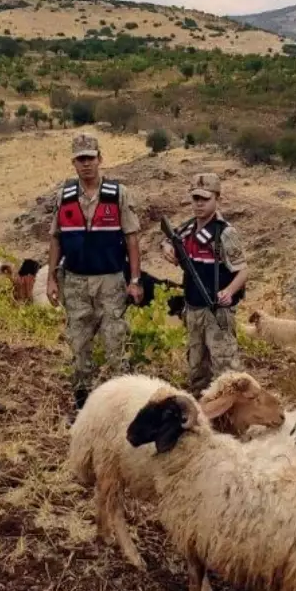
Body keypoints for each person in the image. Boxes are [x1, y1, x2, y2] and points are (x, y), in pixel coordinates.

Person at [46, 133, 143, 410]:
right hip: (75, 281)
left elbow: (132, 238)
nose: (86, 164)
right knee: (78, 344)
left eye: (90, 158)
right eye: (80, 159)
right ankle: (82, 404)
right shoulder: (64, 197)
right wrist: (52, 278)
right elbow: (56, 238)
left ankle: (125, 405)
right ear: (73, 163)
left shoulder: (118, 194)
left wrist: (134, 280)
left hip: (110, 280)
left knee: (116, 343)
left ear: (100, 159)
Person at [161, 172, 249, 393]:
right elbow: (167, 239)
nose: (199, 204)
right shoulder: (188, 228)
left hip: (216, 310)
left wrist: (228, 291)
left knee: (227, 370)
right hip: (193, 309)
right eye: (195, 199)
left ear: (217, 199)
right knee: (197, 369)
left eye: (205, 199)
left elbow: (243, 271)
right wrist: (167, 247)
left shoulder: (225, 233)